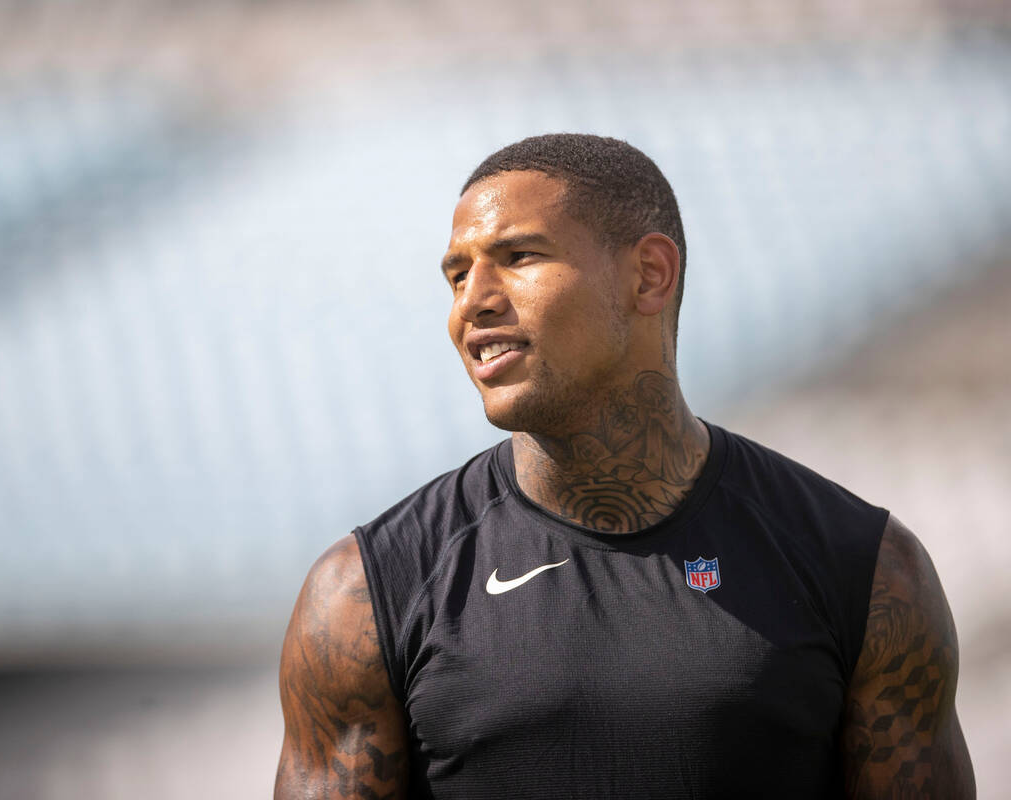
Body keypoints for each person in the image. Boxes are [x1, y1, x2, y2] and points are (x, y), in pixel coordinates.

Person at [274, 134, 974, 798]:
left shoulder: (866, 573)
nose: (473, 302)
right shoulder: (365, 595)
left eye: (518, 257)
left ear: (650, 275)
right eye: (457, 275)